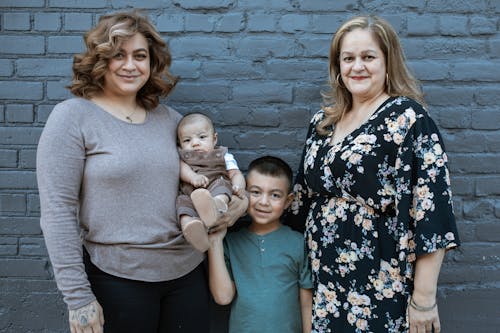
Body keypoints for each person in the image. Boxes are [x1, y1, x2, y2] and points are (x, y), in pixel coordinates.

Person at [36, 11, 247, 333]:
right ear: (99, 59)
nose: (130, 65)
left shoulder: (170, 120)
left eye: (140, 55)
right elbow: (57, 211)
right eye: (118, 55)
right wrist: (77, 298)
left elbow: (212, 172)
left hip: (187, 275)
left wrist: (234, 205)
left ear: (153, 62)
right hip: (117, 279)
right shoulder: (72, 118)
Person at [286, 15, 460, 333]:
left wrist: (424, 300)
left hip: (381, 281)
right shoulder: (322, 123)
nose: (357, 67)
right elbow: (301, 201)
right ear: (337, 66)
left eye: (368, 57)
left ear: (387, 61)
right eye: (348, 58)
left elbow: (432, 214)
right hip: (324, 281)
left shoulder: (407, 119)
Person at [208, 156, 313, 333]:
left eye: (275, 195)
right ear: (244, 194)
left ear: (288, 201)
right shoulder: (232, 242)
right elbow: (223, 297)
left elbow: (306, 304)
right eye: (256, 192)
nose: (264, 202)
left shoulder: (298, 243)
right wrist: (215, 241)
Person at [176, 112, 246, 252]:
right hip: (190, 193)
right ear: (180, 144)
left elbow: (235, 173)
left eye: (202, 137)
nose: (195, 143)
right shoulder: (183, 157)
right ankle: (191, 229)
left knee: (223, 185)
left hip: (215, 186)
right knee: (182, 204)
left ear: (214, 139)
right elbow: (182, 169)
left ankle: (215, 205)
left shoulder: (223, 155)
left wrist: (239, 186)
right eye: (187, 140)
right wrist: (193, 178)